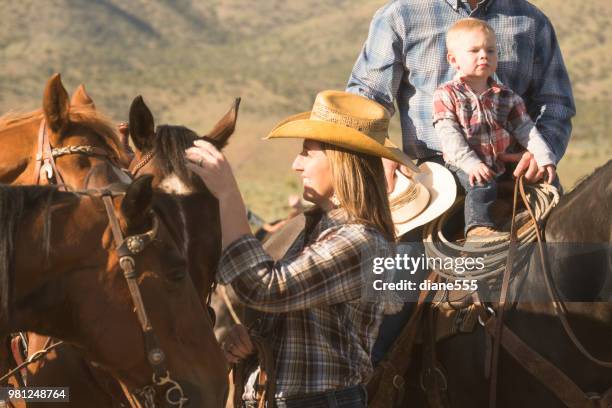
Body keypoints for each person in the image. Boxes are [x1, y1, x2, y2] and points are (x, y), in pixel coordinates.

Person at [185, 90, 420, 408]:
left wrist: (228, 195)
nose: (296, 164)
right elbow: (307, 325)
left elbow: (267, 289)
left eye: (308, 152)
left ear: (341, 162)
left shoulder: (360, 241)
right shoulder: (315, 231)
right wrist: (255, 342)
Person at [347, 0, 575, 192]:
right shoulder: (399, 15)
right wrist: (381, 151)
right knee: (407, 245)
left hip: (519, 172)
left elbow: (556, 104)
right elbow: (366, 97)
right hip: (435, 175)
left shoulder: (531, 20)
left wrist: (541, 152)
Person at [433, 18, 556, 239]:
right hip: (462, 164)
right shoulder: (447, 94)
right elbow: (448, 134)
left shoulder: (506, 96)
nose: (484, 55)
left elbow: (526, 129)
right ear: (453, 59)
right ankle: (478, 229)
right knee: (482, 185)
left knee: (546, 182)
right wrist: (471, 163)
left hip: (500, 162)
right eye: (474, 50)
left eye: (490, 50)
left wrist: (543, 156)